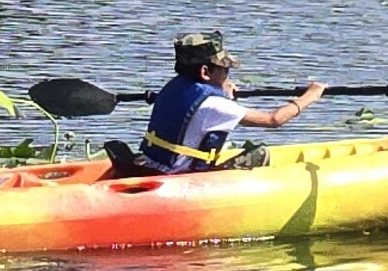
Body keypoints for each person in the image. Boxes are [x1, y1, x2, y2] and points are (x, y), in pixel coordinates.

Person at [125, 32, 326, 175]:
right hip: (179, 175)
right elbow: (274, 120)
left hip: (153, 164)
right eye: (224, 69)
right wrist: (310, 96)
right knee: (260, 153)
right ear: (205, 72)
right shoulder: (215, 105)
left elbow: (199, 113)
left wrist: (223, 94)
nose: (227, 74)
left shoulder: (173, 86)